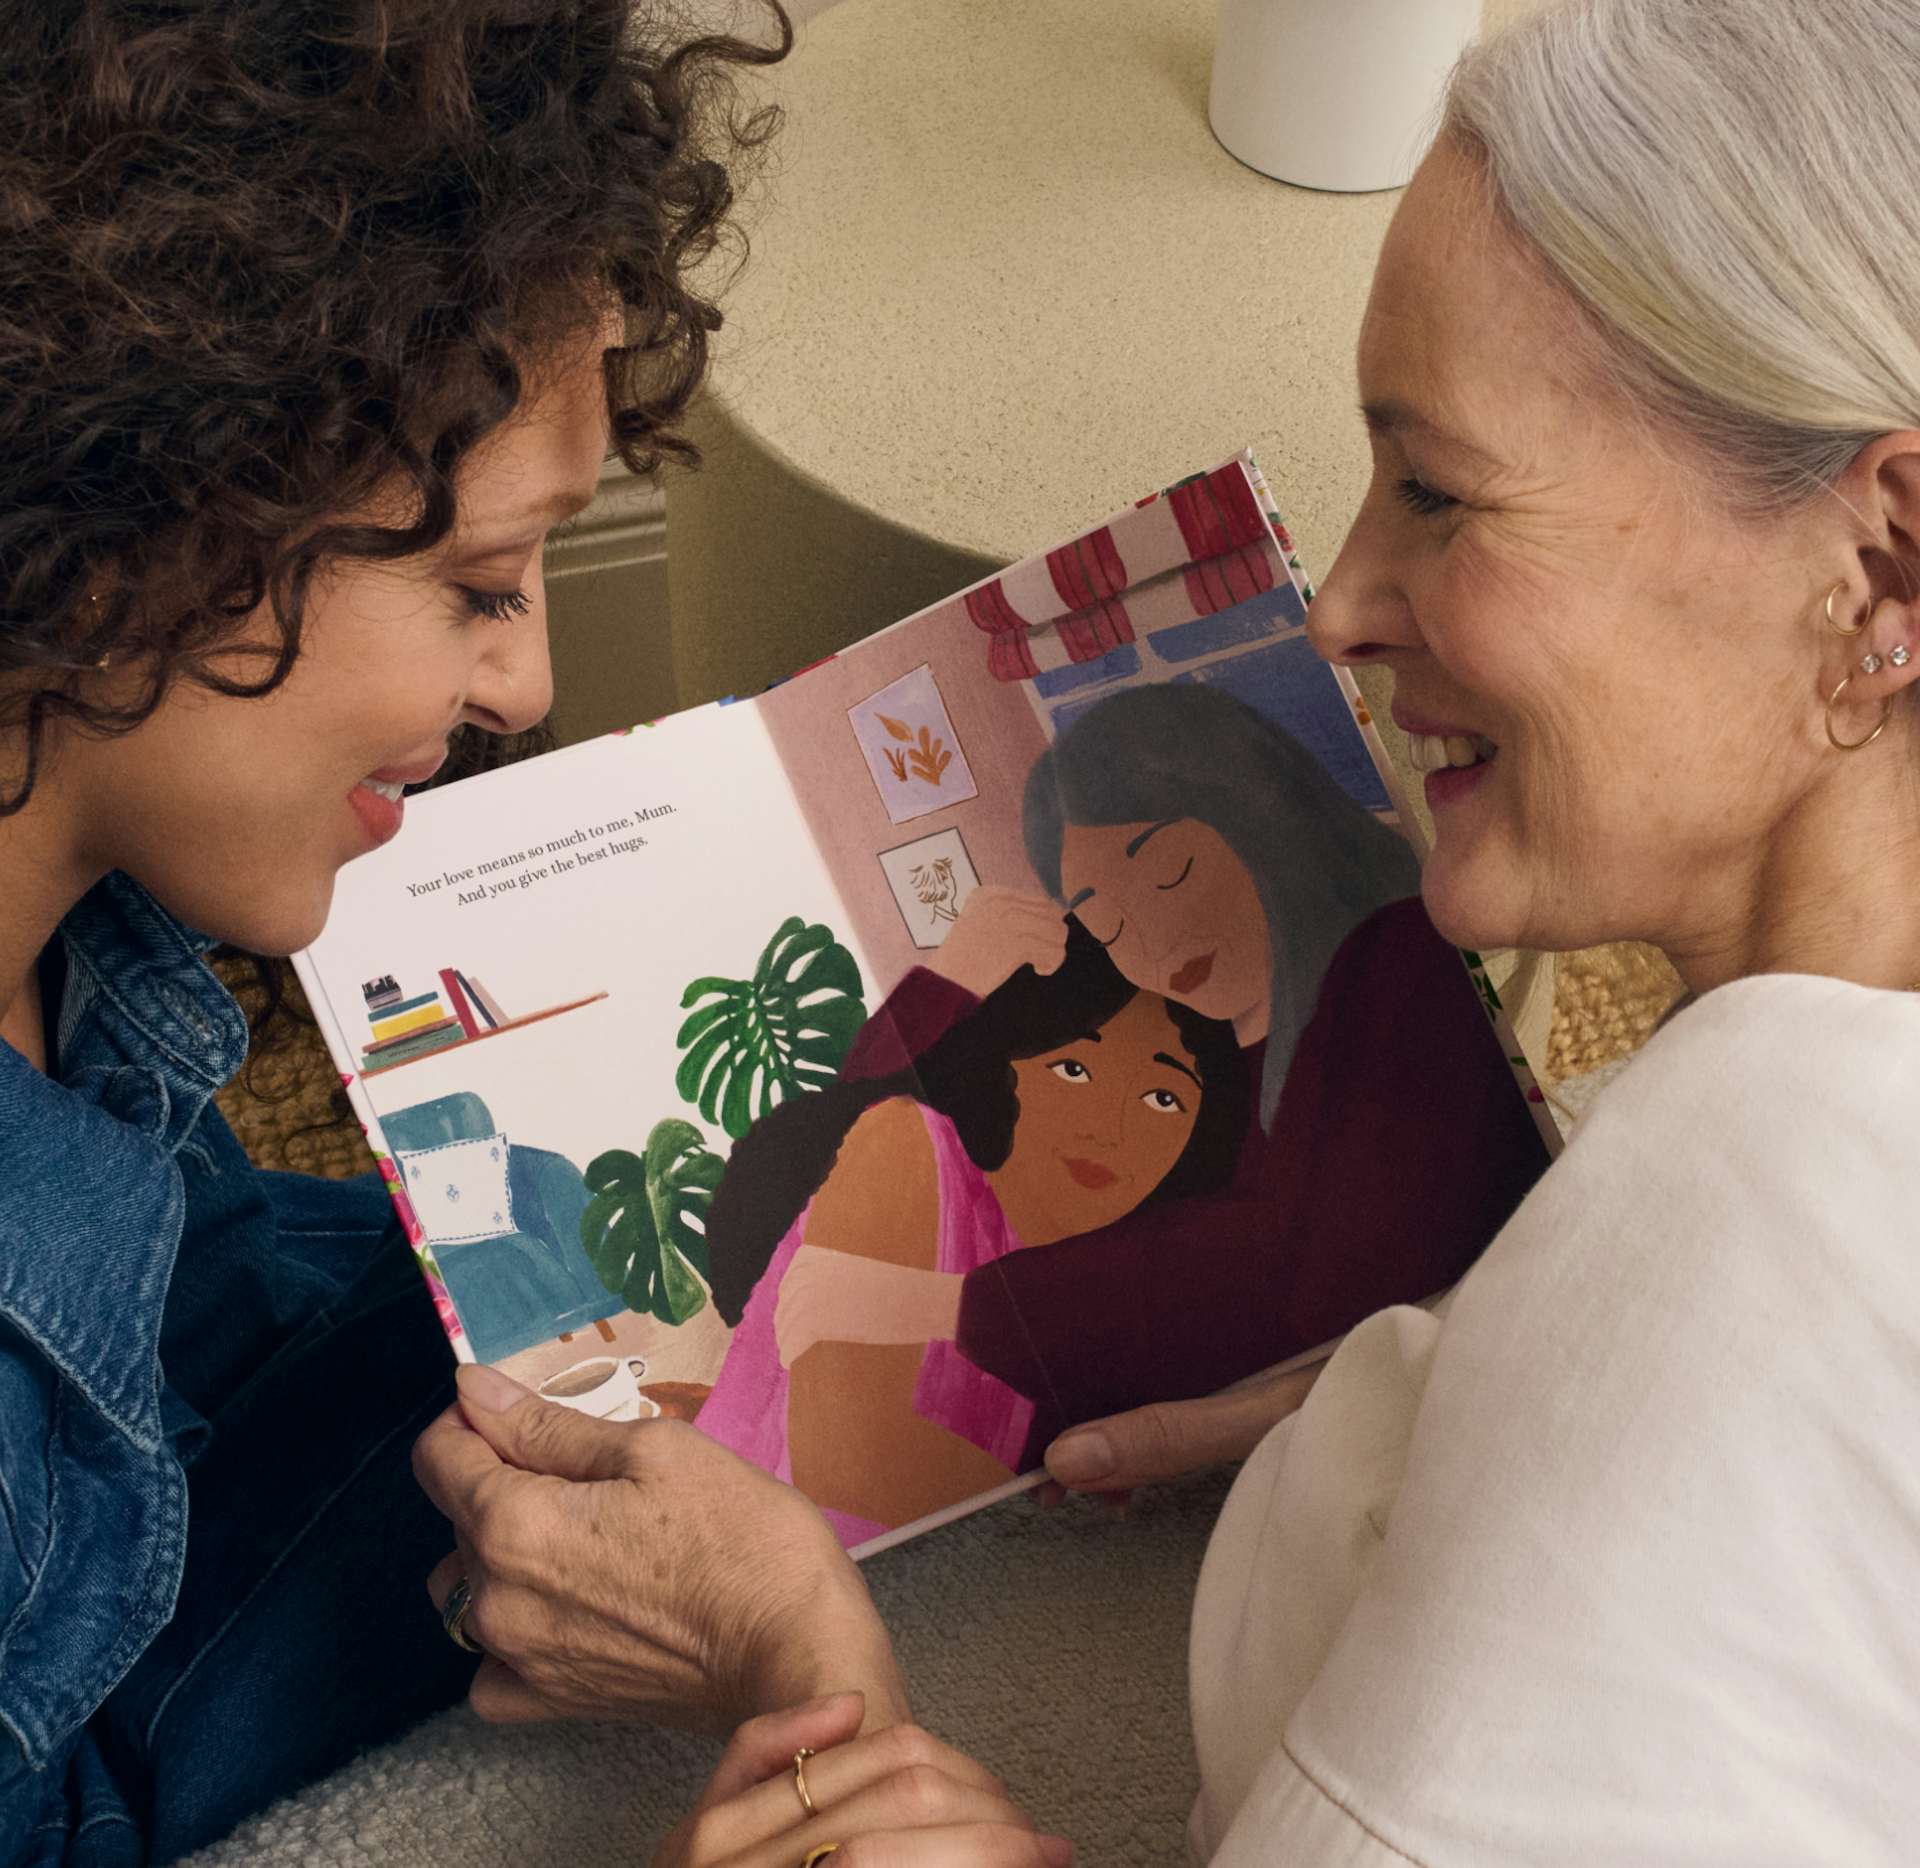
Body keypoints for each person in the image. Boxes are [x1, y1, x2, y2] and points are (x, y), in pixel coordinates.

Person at [413, 0, 1920, 1860]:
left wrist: (807, 1672)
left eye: (1441, 492)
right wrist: (1422, 1366)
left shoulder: (1749, 1204)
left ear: (1882, 570)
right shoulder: (1703, 1156)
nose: (1348, 599)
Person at [0, 3, 1060, 1864]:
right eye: (483, 583)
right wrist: (809, 1675)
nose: (533, 677)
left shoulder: (80, 925)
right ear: (137, 520)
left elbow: (184, 1287)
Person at [775, 685, 1550, 1450]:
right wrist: (949, 982)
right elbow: (842, 1140)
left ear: (1261, 817)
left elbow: (1290, 1269)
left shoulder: (1404, 955)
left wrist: (943, 1305)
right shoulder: (1195, 1033)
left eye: (1171, 870)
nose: (1146, 935)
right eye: (1103, 920)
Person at [695, 920, 1244, 1541]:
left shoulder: (1093, 1260)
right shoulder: (909, 1144)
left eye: (1162, 1100)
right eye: (1072, 1070)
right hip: (753, 1552)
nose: (1110, 1130)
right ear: (1006, 1063)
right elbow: (846, 1468)